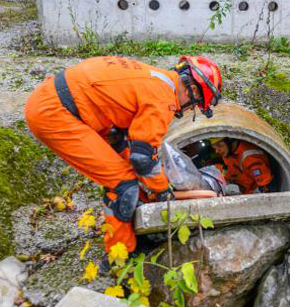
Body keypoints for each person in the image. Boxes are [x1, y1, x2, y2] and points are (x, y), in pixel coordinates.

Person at [25, 55, 223, 255]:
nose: (190, 109)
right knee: (123, 183)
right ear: (193, 90)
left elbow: (131, 142)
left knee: (127, 164)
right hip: (55, 113)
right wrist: (163, 190)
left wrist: (152, 183)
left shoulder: (156, 80)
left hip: (61, 101)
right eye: (195, 105)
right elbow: (143, 159)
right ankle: (120, 256)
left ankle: (129, 231)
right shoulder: (163, 99)